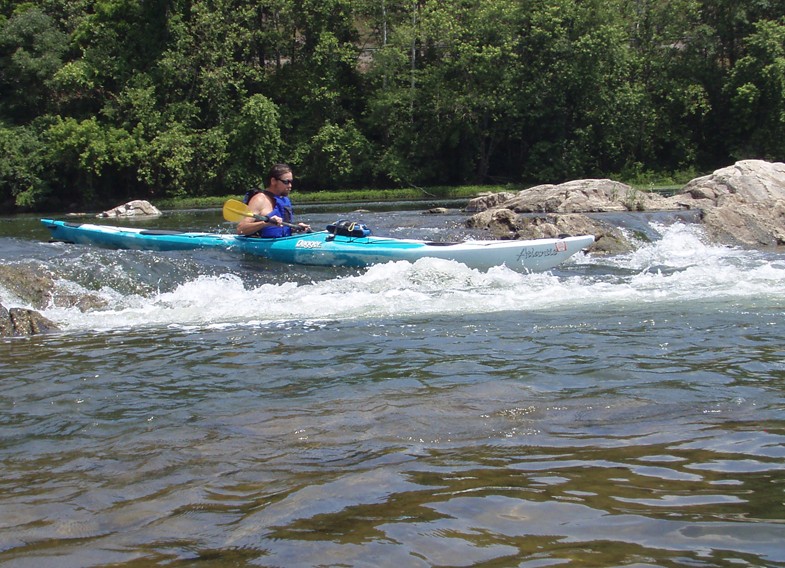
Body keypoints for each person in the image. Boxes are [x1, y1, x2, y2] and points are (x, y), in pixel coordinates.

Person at [237, 163, 311, 237]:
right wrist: (265, 223)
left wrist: (297, 228)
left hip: (282, 242)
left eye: (291, 182)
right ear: (273, 181)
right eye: (286, 182)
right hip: (261, 244)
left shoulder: (284, 200)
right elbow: (241, 229)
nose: (290, 186)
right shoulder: (259, 200)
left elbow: (281, 229)